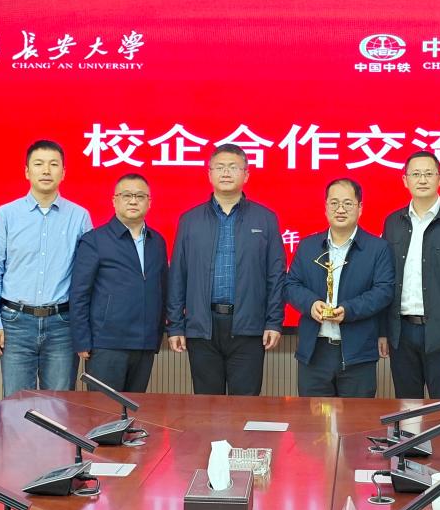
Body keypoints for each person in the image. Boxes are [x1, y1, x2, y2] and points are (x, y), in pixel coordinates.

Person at [166, 143, 285, 396]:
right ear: (209, 174)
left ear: (246, 174)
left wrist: (274, 322)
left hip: (249, 327)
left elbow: (276, 276)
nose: (226, 172)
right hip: (202, 326)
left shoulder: (265, 219)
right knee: (207, 406)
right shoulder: (190, 220)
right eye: (220, 167)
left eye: (233, 167)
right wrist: (175, 325)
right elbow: (177, 275)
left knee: (245, 405)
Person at [0, 139, 92, 395]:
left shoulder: (79, 217)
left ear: (63, 172)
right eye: (39, 164)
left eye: (53, 164)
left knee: (60, 406)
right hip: (15, 323)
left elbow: (87, 277)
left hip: (62, 324)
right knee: (17, 405)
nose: (46, 170)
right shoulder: (6, 215)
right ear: (27, 171)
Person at [379, 150, 440, 399]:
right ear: (405, 180)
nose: (422, 180)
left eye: (428, 174)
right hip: (401, 333)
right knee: (406, 407)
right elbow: (384, 282)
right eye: (415, 174)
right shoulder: (392, 222)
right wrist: (383, 331)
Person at [286, 179, 394, 397]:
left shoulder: (378, 248)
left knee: (356, 418)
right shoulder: (308, 246)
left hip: (357, 353)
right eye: (334, 203)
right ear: (325, 207)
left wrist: (348, 310)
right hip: (314, 352)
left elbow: (384, 291)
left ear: (360, 208)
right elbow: (290, 285)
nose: (340, 209)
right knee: (313, 417)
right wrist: (311, 304)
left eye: (347, 203)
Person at [70, 173, 168, 393]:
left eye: (140, 196)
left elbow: (163, 289)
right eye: (126, 196)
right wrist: (82, 340)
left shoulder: (157, 241)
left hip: (144, 343)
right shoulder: (95, 240)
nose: (133, 201)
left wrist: (156, 336)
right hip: (106, 344)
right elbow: (79, 294)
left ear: (149, 202)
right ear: (114, 200)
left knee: (133, 408)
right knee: (103, 409)